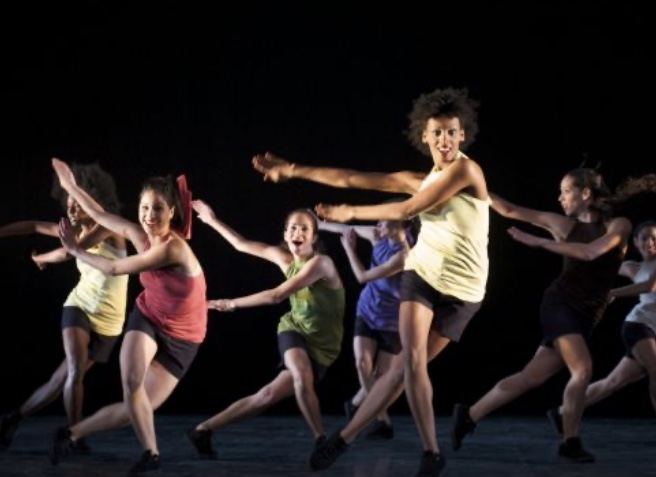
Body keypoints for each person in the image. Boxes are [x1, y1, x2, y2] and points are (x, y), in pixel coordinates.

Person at [253, 86, 489, 477]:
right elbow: (352, 178)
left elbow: (411, 208)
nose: (445, 140)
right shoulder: (419, 178)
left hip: (464, 290)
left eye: (452, 132)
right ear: (425, 136)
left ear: (462, 134)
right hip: (423, 273)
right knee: (410, 362)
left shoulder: (467, 171)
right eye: (437, 133)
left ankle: (355, 436)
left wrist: (350, 213)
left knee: (401, 370)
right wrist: (293, 169)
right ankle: (413, 450)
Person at [449, 168, 656, 463]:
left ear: (586, 194)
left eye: (566, 191)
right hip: (560, 305)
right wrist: (470, 184)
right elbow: (509, 209)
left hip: (587, 314)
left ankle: (469, 415)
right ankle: (570, 441)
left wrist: (541, 242)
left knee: (531, 376)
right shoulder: (561, 224)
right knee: (582, 369)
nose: (560, 198)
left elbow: (591, 252)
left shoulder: (618, 225)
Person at [49, 158, 207, 475]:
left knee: (135, 407)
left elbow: (113, 267)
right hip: (148, 317)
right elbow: (99, 215)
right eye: (144, 208)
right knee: (132, 385)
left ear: (171, 212)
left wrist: (75, 249)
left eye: (158, 209)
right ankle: (152, 453)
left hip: (184, 337)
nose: (149, 216)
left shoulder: (172, 249)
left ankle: (71, 433)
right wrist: (70, 187)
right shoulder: (139, 234)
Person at [186, 200, 345, 459]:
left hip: (324, 347)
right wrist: (212, 220)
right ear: (285, 234)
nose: (298, 233)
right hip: (294, 330)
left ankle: (202, 430)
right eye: (293, 228)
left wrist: (229, 303)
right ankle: (321, 440)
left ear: (314, 238)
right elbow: (241, 244)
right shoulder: (283, 258)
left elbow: (276, 296)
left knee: (267, 395)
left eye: (304, 229)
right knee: (301, 375)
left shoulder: (322, 264)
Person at [0, 162, 128, 453]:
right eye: (68, 205)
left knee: (60, 380)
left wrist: (41, 258)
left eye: (77, 204)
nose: (71, 210)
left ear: (90, 202)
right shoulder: (71, 231)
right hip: (79, 307)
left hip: (110, 321)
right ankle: (75, 435)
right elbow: (33, 226)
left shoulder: (109, 227)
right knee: (74, 371)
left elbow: (69, 252)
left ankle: (13, 418)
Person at [547, 218, 656, 433]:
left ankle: (562, 412)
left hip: (652, 331)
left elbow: (649, 286)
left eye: (654, 238)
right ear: (636, 242)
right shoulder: (632, 267)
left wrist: (612, 292)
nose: (650, 243)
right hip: (639, 326)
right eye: (645, 238)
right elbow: (597, 265)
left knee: (613, 382)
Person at [317, 214, 414, 440]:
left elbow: (362, 277)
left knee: (381, 377)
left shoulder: (404, 255)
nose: (378, 224)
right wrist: (319, 224)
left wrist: (349, 249)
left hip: (392, 319)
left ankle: (354, 404)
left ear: (400, 225)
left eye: (384, 221)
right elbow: (346, 228)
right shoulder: (377, 234)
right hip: (368, 310)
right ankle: (382, 420)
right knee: (362, 363)